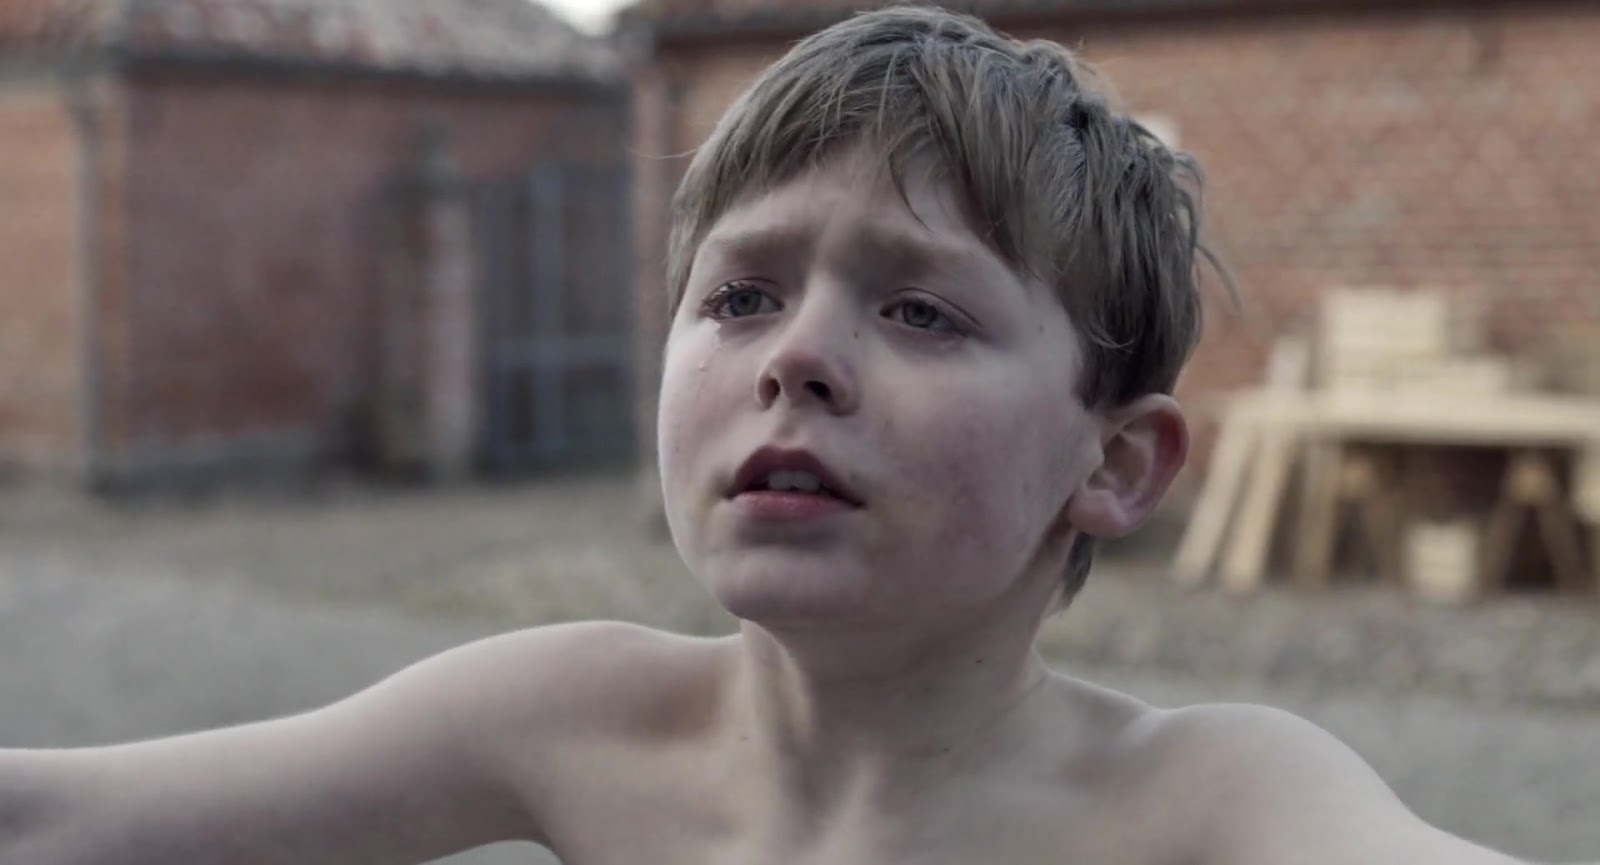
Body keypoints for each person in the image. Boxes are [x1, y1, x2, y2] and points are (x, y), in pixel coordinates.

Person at [0, 5, 1530, 864]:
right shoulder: (571, 717)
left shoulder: (1214, 803)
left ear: (1113, 462)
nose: (796, 355)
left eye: (921, 310)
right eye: (739, 296)